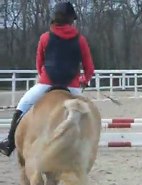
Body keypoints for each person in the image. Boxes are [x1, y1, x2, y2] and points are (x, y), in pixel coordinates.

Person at [0, 2, 94, 157]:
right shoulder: (81, 40)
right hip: (72, 86)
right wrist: (84, 79)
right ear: (71, 20)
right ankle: (86, 148)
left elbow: (39, 64)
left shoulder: (45, 38)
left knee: (23, 105)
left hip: (46, 82)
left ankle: (10, 143)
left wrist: (44, 77)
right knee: (86, 115)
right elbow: (89, 67)